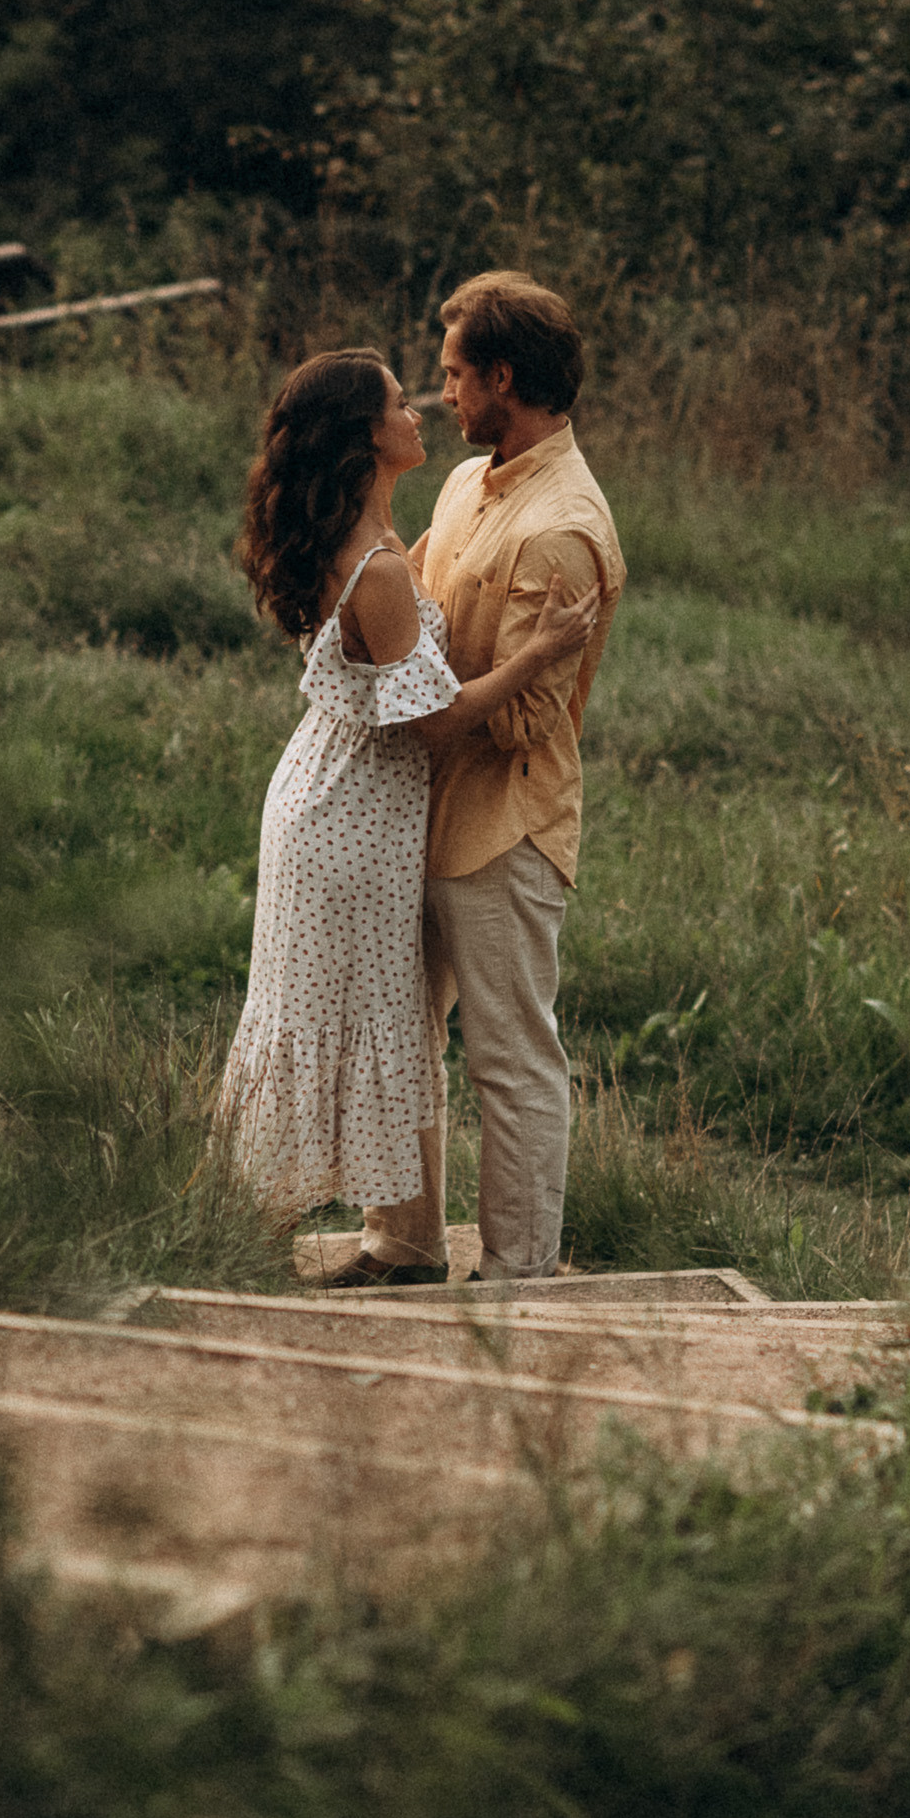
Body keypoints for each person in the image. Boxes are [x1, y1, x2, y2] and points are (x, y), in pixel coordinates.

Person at [219, 348, 599, 1273]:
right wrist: (540, 652)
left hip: (335, 796)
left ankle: (344, 1240)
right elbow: (432, 721)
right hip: (350, 812)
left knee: (331, 1015)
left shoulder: (377, 540)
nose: (420, 409)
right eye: (399, 402)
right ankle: (250, 1238)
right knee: (331, 1016)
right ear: (365, 436)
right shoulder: (378, 568)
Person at [355, 272, 624, 1286]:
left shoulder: (559, 528)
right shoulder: (469, 483)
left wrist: (413, 674)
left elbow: (517, 720)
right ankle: (401, 1244)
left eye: (454, 374)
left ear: (502, 378)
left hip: (502, 825)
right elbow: (405, 604)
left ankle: (517, 1273)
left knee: (507, 1057)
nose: (441, 394)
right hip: (416, 810)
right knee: (398, 1037)